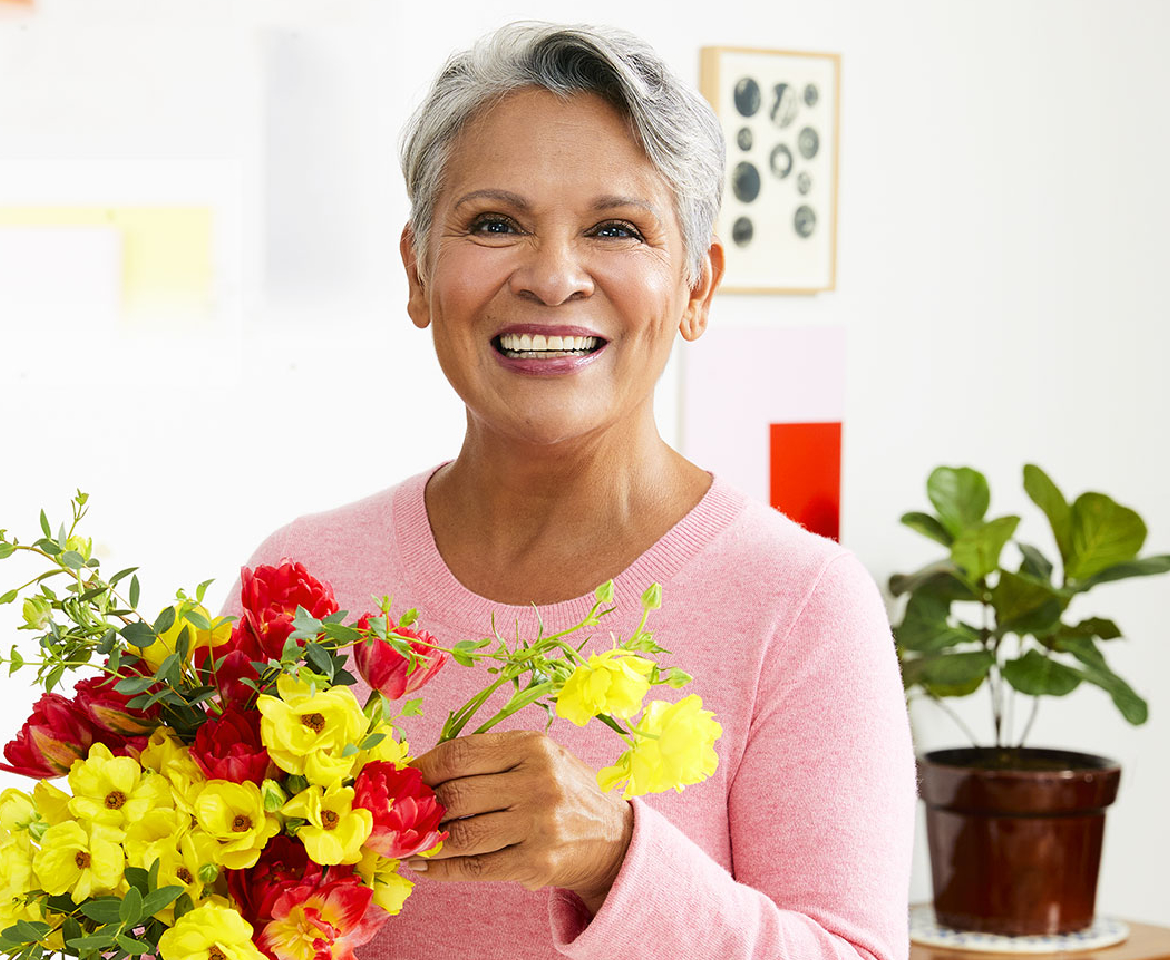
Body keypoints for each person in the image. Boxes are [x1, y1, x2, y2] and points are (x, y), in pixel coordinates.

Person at [224, 21, 915, 960]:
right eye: (494, 224)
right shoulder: (301, 579)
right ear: (418, 270)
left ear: (698, 288)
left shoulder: (801, 607)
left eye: (616, 229)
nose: (552, 278)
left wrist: (615, 857)